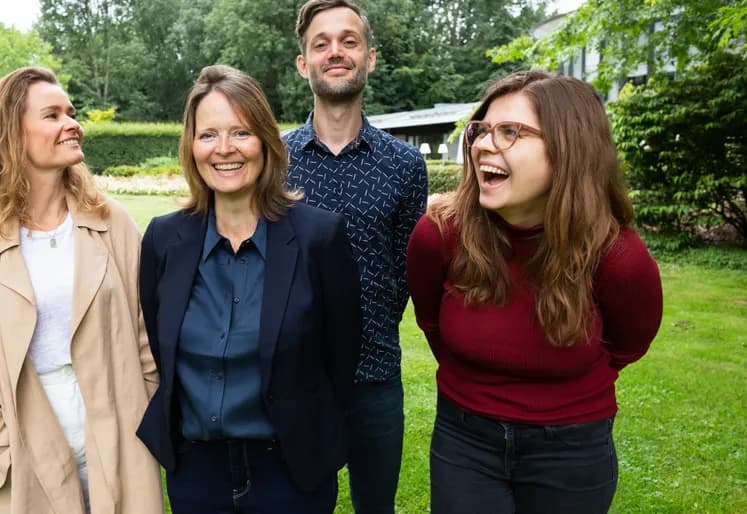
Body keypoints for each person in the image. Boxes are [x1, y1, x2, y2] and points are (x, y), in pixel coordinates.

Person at [406, 70, 664, 514]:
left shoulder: (618, 258)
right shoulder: (440, 234)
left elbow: (628, 345)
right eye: (482, 130)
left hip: (572, 448)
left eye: (510, 132)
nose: (484, 145)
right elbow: (431, 321)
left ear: (569, 149)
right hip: (464, 438)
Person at [0, 66, 163, 513]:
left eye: (70, 113)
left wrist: (144, 408)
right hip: (23, 442)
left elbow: (147, 329)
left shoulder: (111, 221)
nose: (72, 124)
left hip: (120, 431)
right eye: (52, 115)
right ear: (11, 135)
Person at [135, 64, 363, 514]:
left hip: (291, 474)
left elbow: (341, 356)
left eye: (240, 132)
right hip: (196, 476)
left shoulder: (319, 237)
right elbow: (162, 350)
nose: (224, 149)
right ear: (191, 146)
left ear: (265, 140)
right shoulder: (163, 239)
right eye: (208, 135)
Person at [283, 1, 428, 512]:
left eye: (349, 41)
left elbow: (406, 271)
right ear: (303, 63)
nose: (336, 52)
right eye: (321, 43)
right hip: (295, 376)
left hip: (376, 377)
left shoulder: (405, 165)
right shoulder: (273, 162)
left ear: (370, 57)